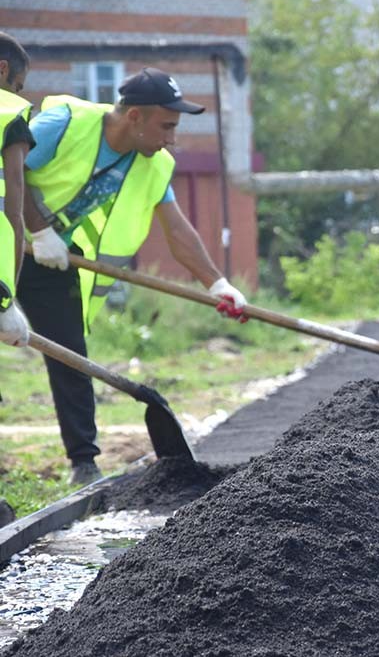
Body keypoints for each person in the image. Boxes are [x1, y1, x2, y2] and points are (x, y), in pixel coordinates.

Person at [19, 67, 250, 485]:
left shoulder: (153, 165)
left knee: (69, 351)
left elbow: (177, 229)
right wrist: (36, 228)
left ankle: (83, 463)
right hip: (10, 239)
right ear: (135, 116)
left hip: (52, 259)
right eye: (166, 125)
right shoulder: (64, 123)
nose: (171, 138)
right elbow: (8, 170)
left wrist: (218, 283)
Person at [0, 33, 34, 350]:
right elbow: (13, 214)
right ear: (2, 69)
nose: (18, 94)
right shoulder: (9, 116)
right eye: (18, 85)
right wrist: (7, 301)